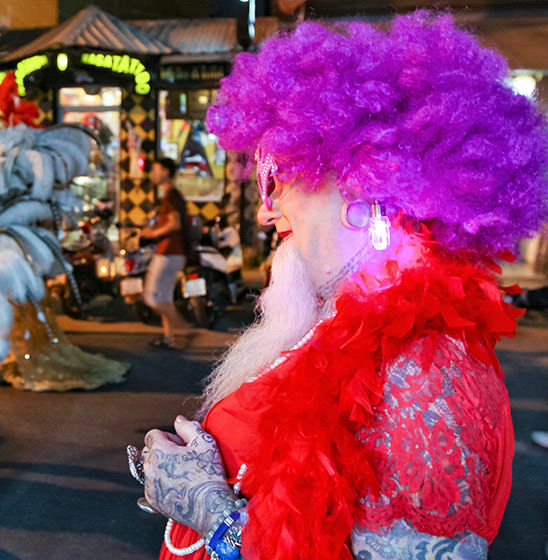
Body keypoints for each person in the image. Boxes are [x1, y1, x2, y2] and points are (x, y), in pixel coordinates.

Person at [130, 12, 548, 560]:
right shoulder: (348, 324)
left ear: (366, 181)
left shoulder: (427, 376)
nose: (266, 211)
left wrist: (214, 515)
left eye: (277, 178)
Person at [0, 295, 129, 392]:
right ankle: (12, 361)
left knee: (23, 323)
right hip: (6, 284)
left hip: (19, 285)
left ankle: (24, 362)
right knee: (12, 322)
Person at [142, 158, 192, 349]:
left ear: (165, 172)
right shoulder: (171, 196)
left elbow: (175, 223)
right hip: (173, 253)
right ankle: (169, 338)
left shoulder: (171, 196)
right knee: (164, 298)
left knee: (151, 297)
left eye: (155, 170)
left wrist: (152, 233)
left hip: (168, 252)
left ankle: (181, 327)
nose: (153, 174)